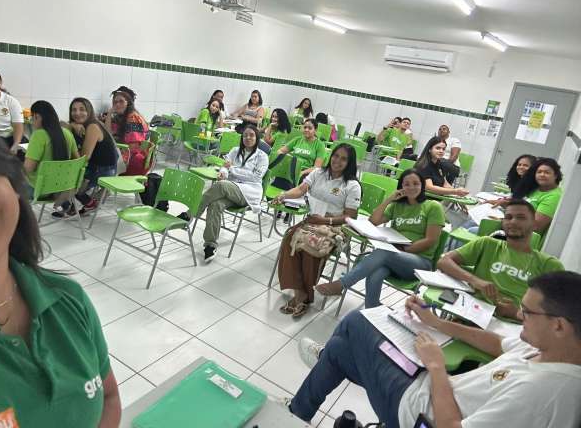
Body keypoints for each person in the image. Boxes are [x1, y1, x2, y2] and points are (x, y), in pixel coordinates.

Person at [0, 101, 121, 426]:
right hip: (64, 189)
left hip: (44, 188)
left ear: (11, 181)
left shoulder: (68, 298)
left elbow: (108, 397)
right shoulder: (68, 135)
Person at [290, 271, 581, 427]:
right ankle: (297, 411)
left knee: (356, 322)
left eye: (527, 312)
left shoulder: (545, 394)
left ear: (559, 325)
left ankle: (322, 362)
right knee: (339, 350)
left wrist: (437, 367)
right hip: (428, 388)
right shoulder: (545, 347)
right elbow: (497, 343)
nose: (518, 315)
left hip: (416, 413)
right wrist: (435, 322)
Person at [316, 169, 445, 307]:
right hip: (393, 259)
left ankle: (342, 284)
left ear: (422, 185)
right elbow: (373, 221)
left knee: (384, 252)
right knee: (376, 272)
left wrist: (403, 250)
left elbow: (430, 240)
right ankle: (372, 309)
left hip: (420, 263)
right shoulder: (397, 206)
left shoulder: (433, 207)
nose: (411, 187)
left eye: (416, 183)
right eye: (406, 184)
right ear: (401, 187)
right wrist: (389, 199)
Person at [274, 144, 361, 318]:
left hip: (335, 226)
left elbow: (350, 216)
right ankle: (300, 292)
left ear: (349, 163)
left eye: (343, 159)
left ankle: (304, 298)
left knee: (311, 246)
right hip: (314, 220)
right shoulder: (318, 173)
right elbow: (301, 190)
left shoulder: (352, 185)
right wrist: (283, 195)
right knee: (290, 238)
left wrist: (326, 221)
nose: (337, 161)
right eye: (336, 156)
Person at [438, 199, 564, 319]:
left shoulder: (549, 264)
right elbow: (443, 261)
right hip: (475, 313)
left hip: (518, 326)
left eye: (521, 217)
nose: (513, 222)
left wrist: (517, 313)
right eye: (508, 217)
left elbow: (560, 314)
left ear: (534, 224)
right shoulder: (487, 244)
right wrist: (475, 280)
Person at [181, 125, 268, 262]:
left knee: (221, 185)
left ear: (257, 138)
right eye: (245, 135)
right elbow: (225, 166)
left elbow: (256, 177)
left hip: (249, 192)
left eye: (251, 135)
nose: (248, 138)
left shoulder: (262, 156)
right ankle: (210, 245)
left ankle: (190, 213)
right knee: (215, 205)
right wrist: (223, 173)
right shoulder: (235, 151)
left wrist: (232, 169)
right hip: (231, 189)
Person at [23, 101, 79, 215]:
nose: (31, 121)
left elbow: (28, 168)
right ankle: (66, 203)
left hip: (39, 191)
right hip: (61, 187)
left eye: (31, 117)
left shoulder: (38, 135)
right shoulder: (67, 133)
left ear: (37, 116)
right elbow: (77, 160)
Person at [68, 97, 118, 215]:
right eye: (74, 110)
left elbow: (83, 158)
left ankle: (89, 203)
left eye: (82, 109)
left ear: (89, 111)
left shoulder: (92, 127)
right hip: (98, 166)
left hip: (104, 170)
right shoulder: (85, 124)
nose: (77, 113)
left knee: (67, 181)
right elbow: (61, 124)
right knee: (68, 174)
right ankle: (75, 203)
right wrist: (72, 125)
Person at [509, 158, 562, 236]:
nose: (542, 175)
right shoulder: (537, 189)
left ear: (556, 175)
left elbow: (536, 226)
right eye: (539, 172)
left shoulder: (554, 196)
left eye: (547, 172)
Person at [104, 86, 149, 176]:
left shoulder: (133, 118)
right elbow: (108, 133)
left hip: (135, 160)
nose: (117, 104)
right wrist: (109, 114)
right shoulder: (122, 117)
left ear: (128, 103)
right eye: (115, 102)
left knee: (101, 160)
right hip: (130, 155)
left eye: (121, 101)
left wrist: (117, 156)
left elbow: (134, 147)